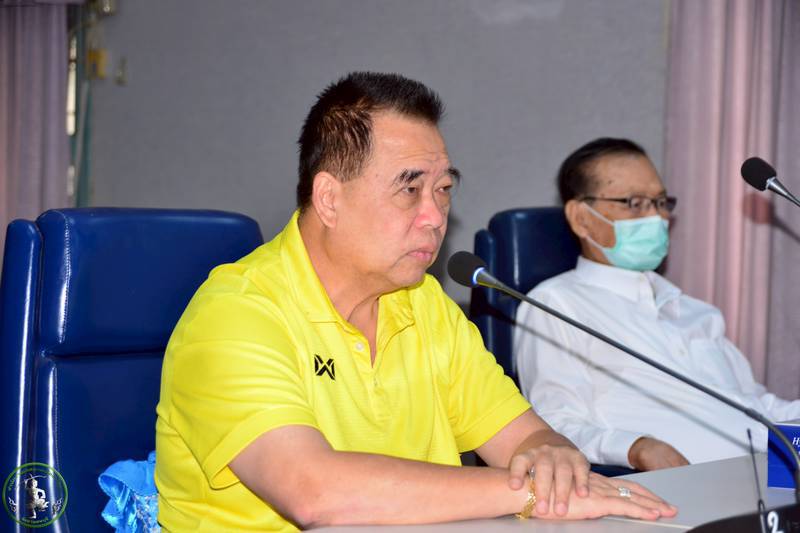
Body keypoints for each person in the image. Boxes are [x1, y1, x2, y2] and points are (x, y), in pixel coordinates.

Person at [155, 75, 675, 531]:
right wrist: (529, 492)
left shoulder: (425, 303)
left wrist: (555, 462)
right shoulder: (234, 313)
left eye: (443, 189)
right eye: (410, 190)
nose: (435, 216)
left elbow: (526, 439)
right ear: (330, 199)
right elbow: (314, 493)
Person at [514, 137, 800, 472]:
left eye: (661, 202)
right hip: (681, 490)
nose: (656, 217)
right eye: (635, 203)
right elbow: (554, 424)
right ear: (581, 218)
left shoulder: (696, 311)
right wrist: (634, 447)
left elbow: (758, 407)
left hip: (772, 477)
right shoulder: (556, 304)